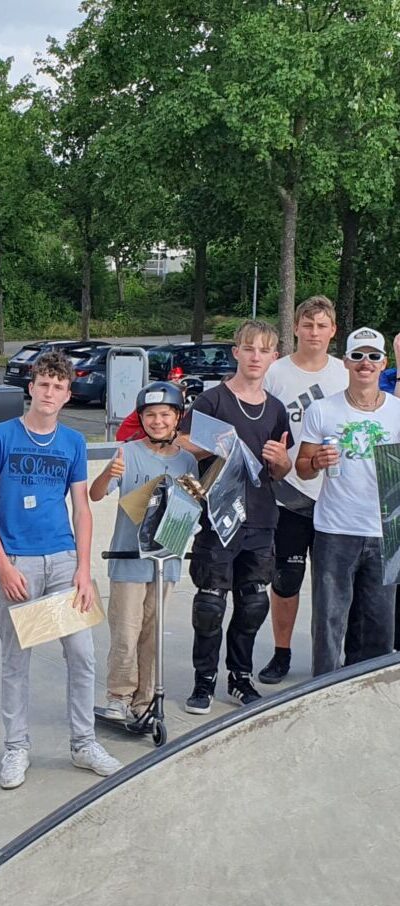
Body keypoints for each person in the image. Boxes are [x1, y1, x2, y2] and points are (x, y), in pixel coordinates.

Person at [0, 351, 122, 788]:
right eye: (43, 384)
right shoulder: (0, 437)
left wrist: (83, 568)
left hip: (61, 560)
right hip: (17, 563)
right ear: (31, 388)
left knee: (81, 653)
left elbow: (82, 507)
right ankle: (16, 748)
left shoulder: (73, 443)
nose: (49, 392)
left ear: (67, 394)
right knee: (16, 660)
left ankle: (83, 743)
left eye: (59, 386)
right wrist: (2, 565)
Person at [178, 320, 292, 714]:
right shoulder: (213, 401)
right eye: (249, 348)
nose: (256, 356)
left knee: (253, 603)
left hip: (261, 517)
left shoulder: (276, 410)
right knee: (210, 604)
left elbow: (279, 469)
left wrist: (282, 462)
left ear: (273, 357)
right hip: (218, 516)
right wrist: (218, 445)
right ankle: (203, 681)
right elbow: (182, 443)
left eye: (264, 350)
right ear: (236, 352)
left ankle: (240, 678)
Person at [90, 382, 197, 721]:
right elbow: (95, 494)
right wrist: (110, 471)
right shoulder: (127, 452)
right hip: (129, 559)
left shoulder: (188, 461)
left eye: (165, 414)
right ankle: (119, 696)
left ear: (177, 418)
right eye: (150, 415)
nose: (158, 421)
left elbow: (192, 510)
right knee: (126, 631)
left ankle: (145, 699)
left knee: (152, 635)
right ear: (141, 419)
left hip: (165, 561)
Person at [296, 327, 400, 676]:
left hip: (385, 532)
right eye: (357, 356)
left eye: (373, 356)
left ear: (384, 362)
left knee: (379, 627)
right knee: (329, 624)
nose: (365, 363)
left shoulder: (398, 413)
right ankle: (323, 690)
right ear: (346, 362)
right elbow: (303, 469)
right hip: (335, 531)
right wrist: (316, 462)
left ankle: (368, 696)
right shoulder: (323, 411)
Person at [256, 296, 348, 683]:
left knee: (334, 585)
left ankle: (332, 656)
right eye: (307, 325)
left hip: (337, 497)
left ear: (333, 331)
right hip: (289, 494)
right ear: (295, 328)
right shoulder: (276, 373)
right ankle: (281, 653)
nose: (314, 332)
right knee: (286, 580)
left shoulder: (345, 373)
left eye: (321, 325)